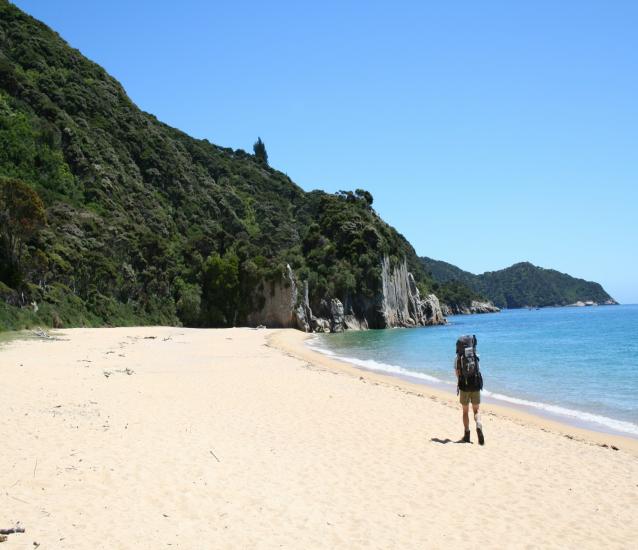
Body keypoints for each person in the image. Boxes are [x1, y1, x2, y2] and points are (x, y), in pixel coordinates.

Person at [455, 335, 485, 445]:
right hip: (476, 384)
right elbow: (479, 369)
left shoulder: (458, 358)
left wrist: (461, 381)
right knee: (476, 410)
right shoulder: (475, 354)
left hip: (464, 386)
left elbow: (457, 373)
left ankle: (467, 434)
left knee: (465, 411)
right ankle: (478, 423)